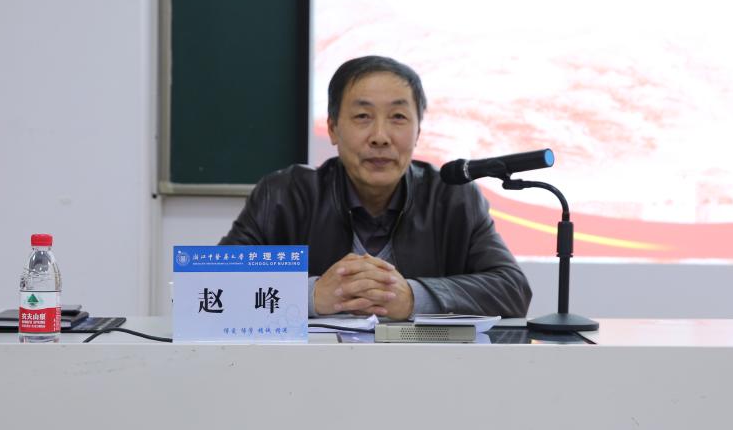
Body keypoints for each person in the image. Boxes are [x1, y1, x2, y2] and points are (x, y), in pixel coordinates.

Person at [220, 55, 531, 319]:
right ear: (332, 128)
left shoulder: (452, 197)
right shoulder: (285, 196)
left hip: (427, 368)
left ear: (418, 131)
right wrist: (312, 295)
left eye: (398, 117)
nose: (380, 136)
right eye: (362, 116)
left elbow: (512, 290)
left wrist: (414, 297)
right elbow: (211, 286)